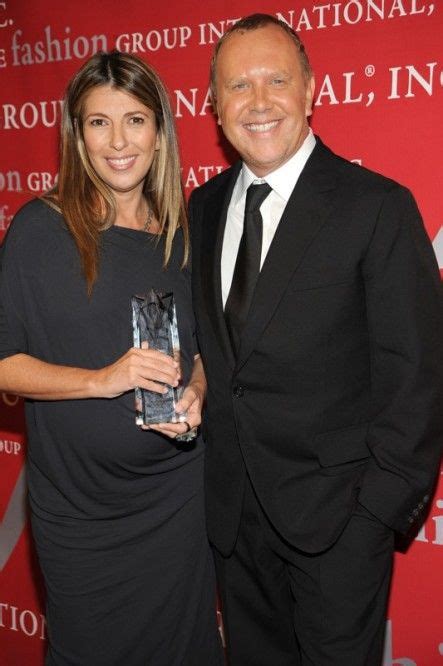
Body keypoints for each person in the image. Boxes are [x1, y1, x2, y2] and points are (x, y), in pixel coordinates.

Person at [189, 13, 443, 666]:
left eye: (277, 79)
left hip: (336, 526)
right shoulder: (203, 208)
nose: (259, 101)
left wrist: (373, 517)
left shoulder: (374, 206)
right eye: (237, 86)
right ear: (214, 108)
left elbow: (416, 371)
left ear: (309, 90)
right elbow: (219, 355)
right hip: (233, 519)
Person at [0, 51, 223, 666]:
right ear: (77, 135)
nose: (118, 141)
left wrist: (196, 392)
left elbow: (199, 353)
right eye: (98, 123)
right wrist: (103, 380)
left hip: (177, 501)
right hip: (82, 516)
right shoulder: (41, 232)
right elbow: (3, 364)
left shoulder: (180, 234)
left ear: (160, 131)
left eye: (135, 120)